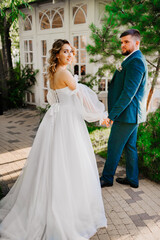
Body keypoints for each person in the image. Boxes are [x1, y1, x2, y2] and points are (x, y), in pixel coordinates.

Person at [0, 39, 107, 239]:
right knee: (71, 163)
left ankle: (53, 203)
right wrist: (101, 116)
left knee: (54, 163)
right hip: (68, 122)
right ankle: (68, 212)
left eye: (71, 51)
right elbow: (83, 98)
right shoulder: (65, 73)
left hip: (56, 120)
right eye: (65, 51)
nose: (69, 54)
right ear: (57, 54)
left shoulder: (53, 72)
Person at [100, 29, 148, 189]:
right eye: (121, 42)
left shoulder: (136, 62)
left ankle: (106, 178)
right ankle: (132, 179)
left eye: (126, 41)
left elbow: (128, 94)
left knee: (114, 145)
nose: (123, 45)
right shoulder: (133, 59)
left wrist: (112, 115)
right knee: (130, 146)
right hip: (130, 114)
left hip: (127, 114)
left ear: (137, 43)